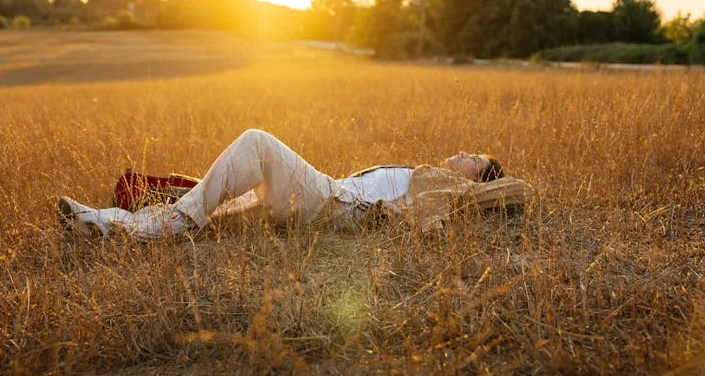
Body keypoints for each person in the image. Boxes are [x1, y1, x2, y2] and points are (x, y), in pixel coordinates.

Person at [58, 129, 529, 240]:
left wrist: (484, 187)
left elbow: (520, 190)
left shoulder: (450, 189)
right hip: (328, 197)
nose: (465, 154)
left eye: (475, 159)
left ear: (477, 178)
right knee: (210, 208)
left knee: (257, 142)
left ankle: (149, 228)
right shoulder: (433, 176)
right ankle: (101, 223)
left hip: (336, 204)